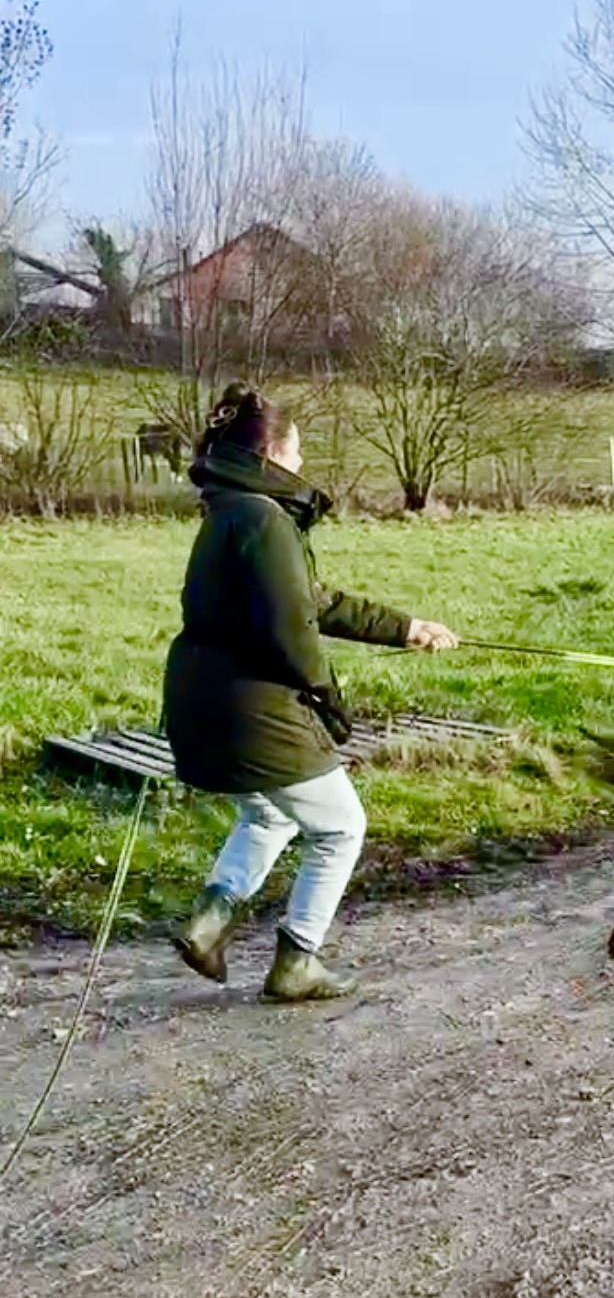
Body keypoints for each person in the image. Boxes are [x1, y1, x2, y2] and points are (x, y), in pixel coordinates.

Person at [164, 384, 457, 1002]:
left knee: (268, 812)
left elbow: (311, 600)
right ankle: (298, 959)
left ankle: (208, 922)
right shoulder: (264, 518)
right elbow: (290, 629)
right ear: (271, 452)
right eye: (297, 455)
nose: (301, 467)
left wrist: (408, 629)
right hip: (251, 709)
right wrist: (327, 699)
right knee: (342, 827)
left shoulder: (232, 511)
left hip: (202, 699)